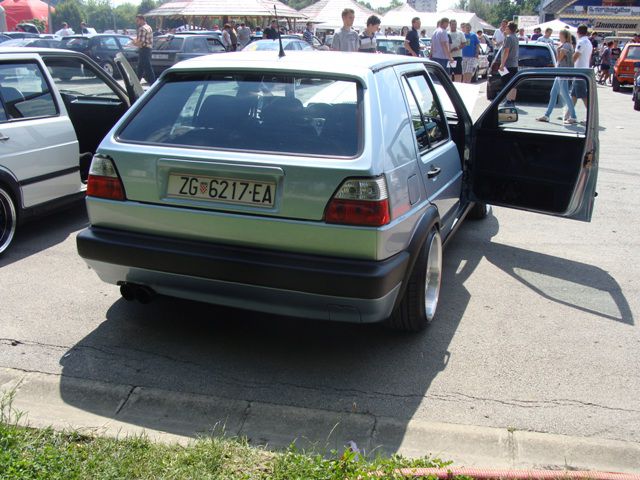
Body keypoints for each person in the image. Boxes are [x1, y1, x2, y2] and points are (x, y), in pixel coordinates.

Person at [536, 29, 577, 124]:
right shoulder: (567, 45)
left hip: (563, 72)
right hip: (561, 72)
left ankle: (573, 116)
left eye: (560, 35)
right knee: (554, 93)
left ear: (564, 36)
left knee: (565, 95)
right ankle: (547, 115)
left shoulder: (566, 45)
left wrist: (558, 50)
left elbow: (559, 58)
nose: (559, 37)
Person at [569, 24, 593, 116]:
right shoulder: (588, 42)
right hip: (583, 70)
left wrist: (568, 64)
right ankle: (568, 115)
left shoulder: (581, 42)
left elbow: (576, 56)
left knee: (583, 96)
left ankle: (591, 114)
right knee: (574, 95)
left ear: (578, 32)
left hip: (579, 71)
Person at [499, 21, 519, 107]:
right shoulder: (515, 37)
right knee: (513, 84)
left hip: (508, 64)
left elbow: (506, 51)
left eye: (507, 27)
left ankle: (508, 100)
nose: (505, 28)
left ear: (509, 28)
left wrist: (502, 64)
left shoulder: (508, 38)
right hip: (514, 64)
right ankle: (512, 101)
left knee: (506, 83)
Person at [132, 15, 155, 84]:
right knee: (140, 69)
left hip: (144, 49)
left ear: (142, 20)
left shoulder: (142, 28)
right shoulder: (149, 27)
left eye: (137, 20)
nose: (137, 22)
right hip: (148, 49)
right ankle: (135, 85)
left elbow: (140, 42)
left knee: (147, 69)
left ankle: (153, 84)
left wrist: (133, 43)